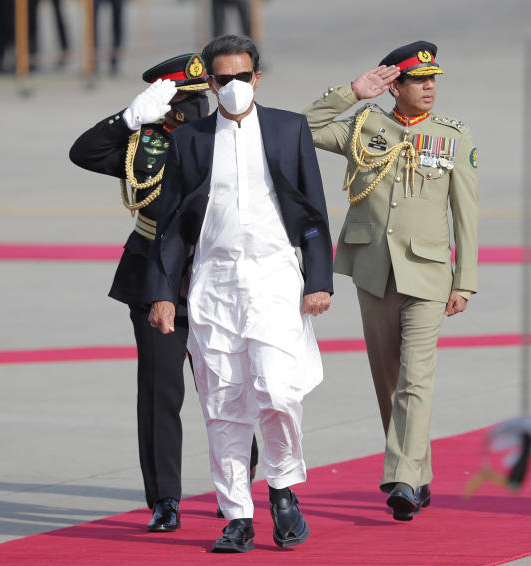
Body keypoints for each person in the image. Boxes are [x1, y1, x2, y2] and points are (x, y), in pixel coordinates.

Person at [147, 34, 332, 553]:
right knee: (224, 404)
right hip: (215, 281)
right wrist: (164, 293)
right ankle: (237, 516)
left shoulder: (287, 128)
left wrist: (319, 280)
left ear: (257, 77)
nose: (232, 87)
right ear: (209, 81)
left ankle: (281, 488)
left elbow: (314, 212)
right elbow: (172, 227)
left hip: (274, 277)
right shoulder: (190, 140)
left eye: (242, 77)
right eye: (222, 79)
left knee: (278, 391)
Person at [302, 41, 478, 521]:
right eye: (418, 80)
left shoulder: (453, 136)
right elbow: (303, 128)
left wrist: (465, 281)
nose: (429, 87)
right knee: (388, 378)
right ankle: (417, 474)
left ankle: (400, 476)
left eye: (433, 80)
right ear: (393, 85)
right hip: (372, 269)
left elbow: (467, 215)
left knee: (415, 379)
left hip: (427, 271)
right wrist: (352, 93)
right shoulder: (364, 125)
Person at [70, 53, 229, 532]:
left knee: (226, 389)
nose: (196, 106)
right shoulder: (145, 141)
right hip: (155, 271)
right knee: (161, 392)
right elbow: (84, 153)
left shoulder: (231, 133)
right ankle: (165, 498)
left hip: (217, 274)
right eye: (186, 98)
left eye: (200, 97)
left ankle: (236, 486)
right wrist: (129, 118)